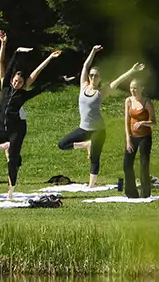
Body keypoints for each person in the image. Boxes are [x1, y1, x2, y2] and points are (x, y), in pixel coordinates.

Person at [0, 31, 62, 200]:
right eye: (15, 80)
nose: (16, 83)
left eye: (20, 82)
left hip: (15, 130)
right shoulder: (5, 86)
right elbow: (2, 62)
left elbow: (35, 74)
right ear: (11, 79)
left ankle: (11, 189)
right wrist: (5, 45)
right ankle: (2, 146)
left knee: (13, 159)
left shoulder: (23, 94)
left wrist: (49, 59)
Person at [57, 45, 144, 187]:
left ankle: (91, 186)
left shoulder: (101, 92)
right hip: (83, 129)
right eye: (91, 75)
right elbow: (86, 65)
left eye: (95, 76)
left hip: (99, 130)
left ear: (99, 78)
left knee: (94, 158)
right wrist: (92, 51)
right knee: (62, 144)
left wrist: (132, 70)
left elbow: (118, 81)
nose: (92, 77)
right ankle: (86, 144)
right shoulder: (83, 86)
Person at [123, 78, 156, 198]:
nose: (133, 90)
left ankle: (145, 193)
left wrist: (142, 123)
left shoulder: (147, 102)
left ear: (141, 88)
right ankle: (131, 193)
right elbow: (126, 121)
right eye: (131, 87)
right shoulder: (128, 101)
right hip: (132, 137)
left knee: (143, 165)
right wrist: (128, 140)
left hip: (144, 137)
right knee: (127, 165)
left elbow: (153, 122)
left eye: (135, 88)